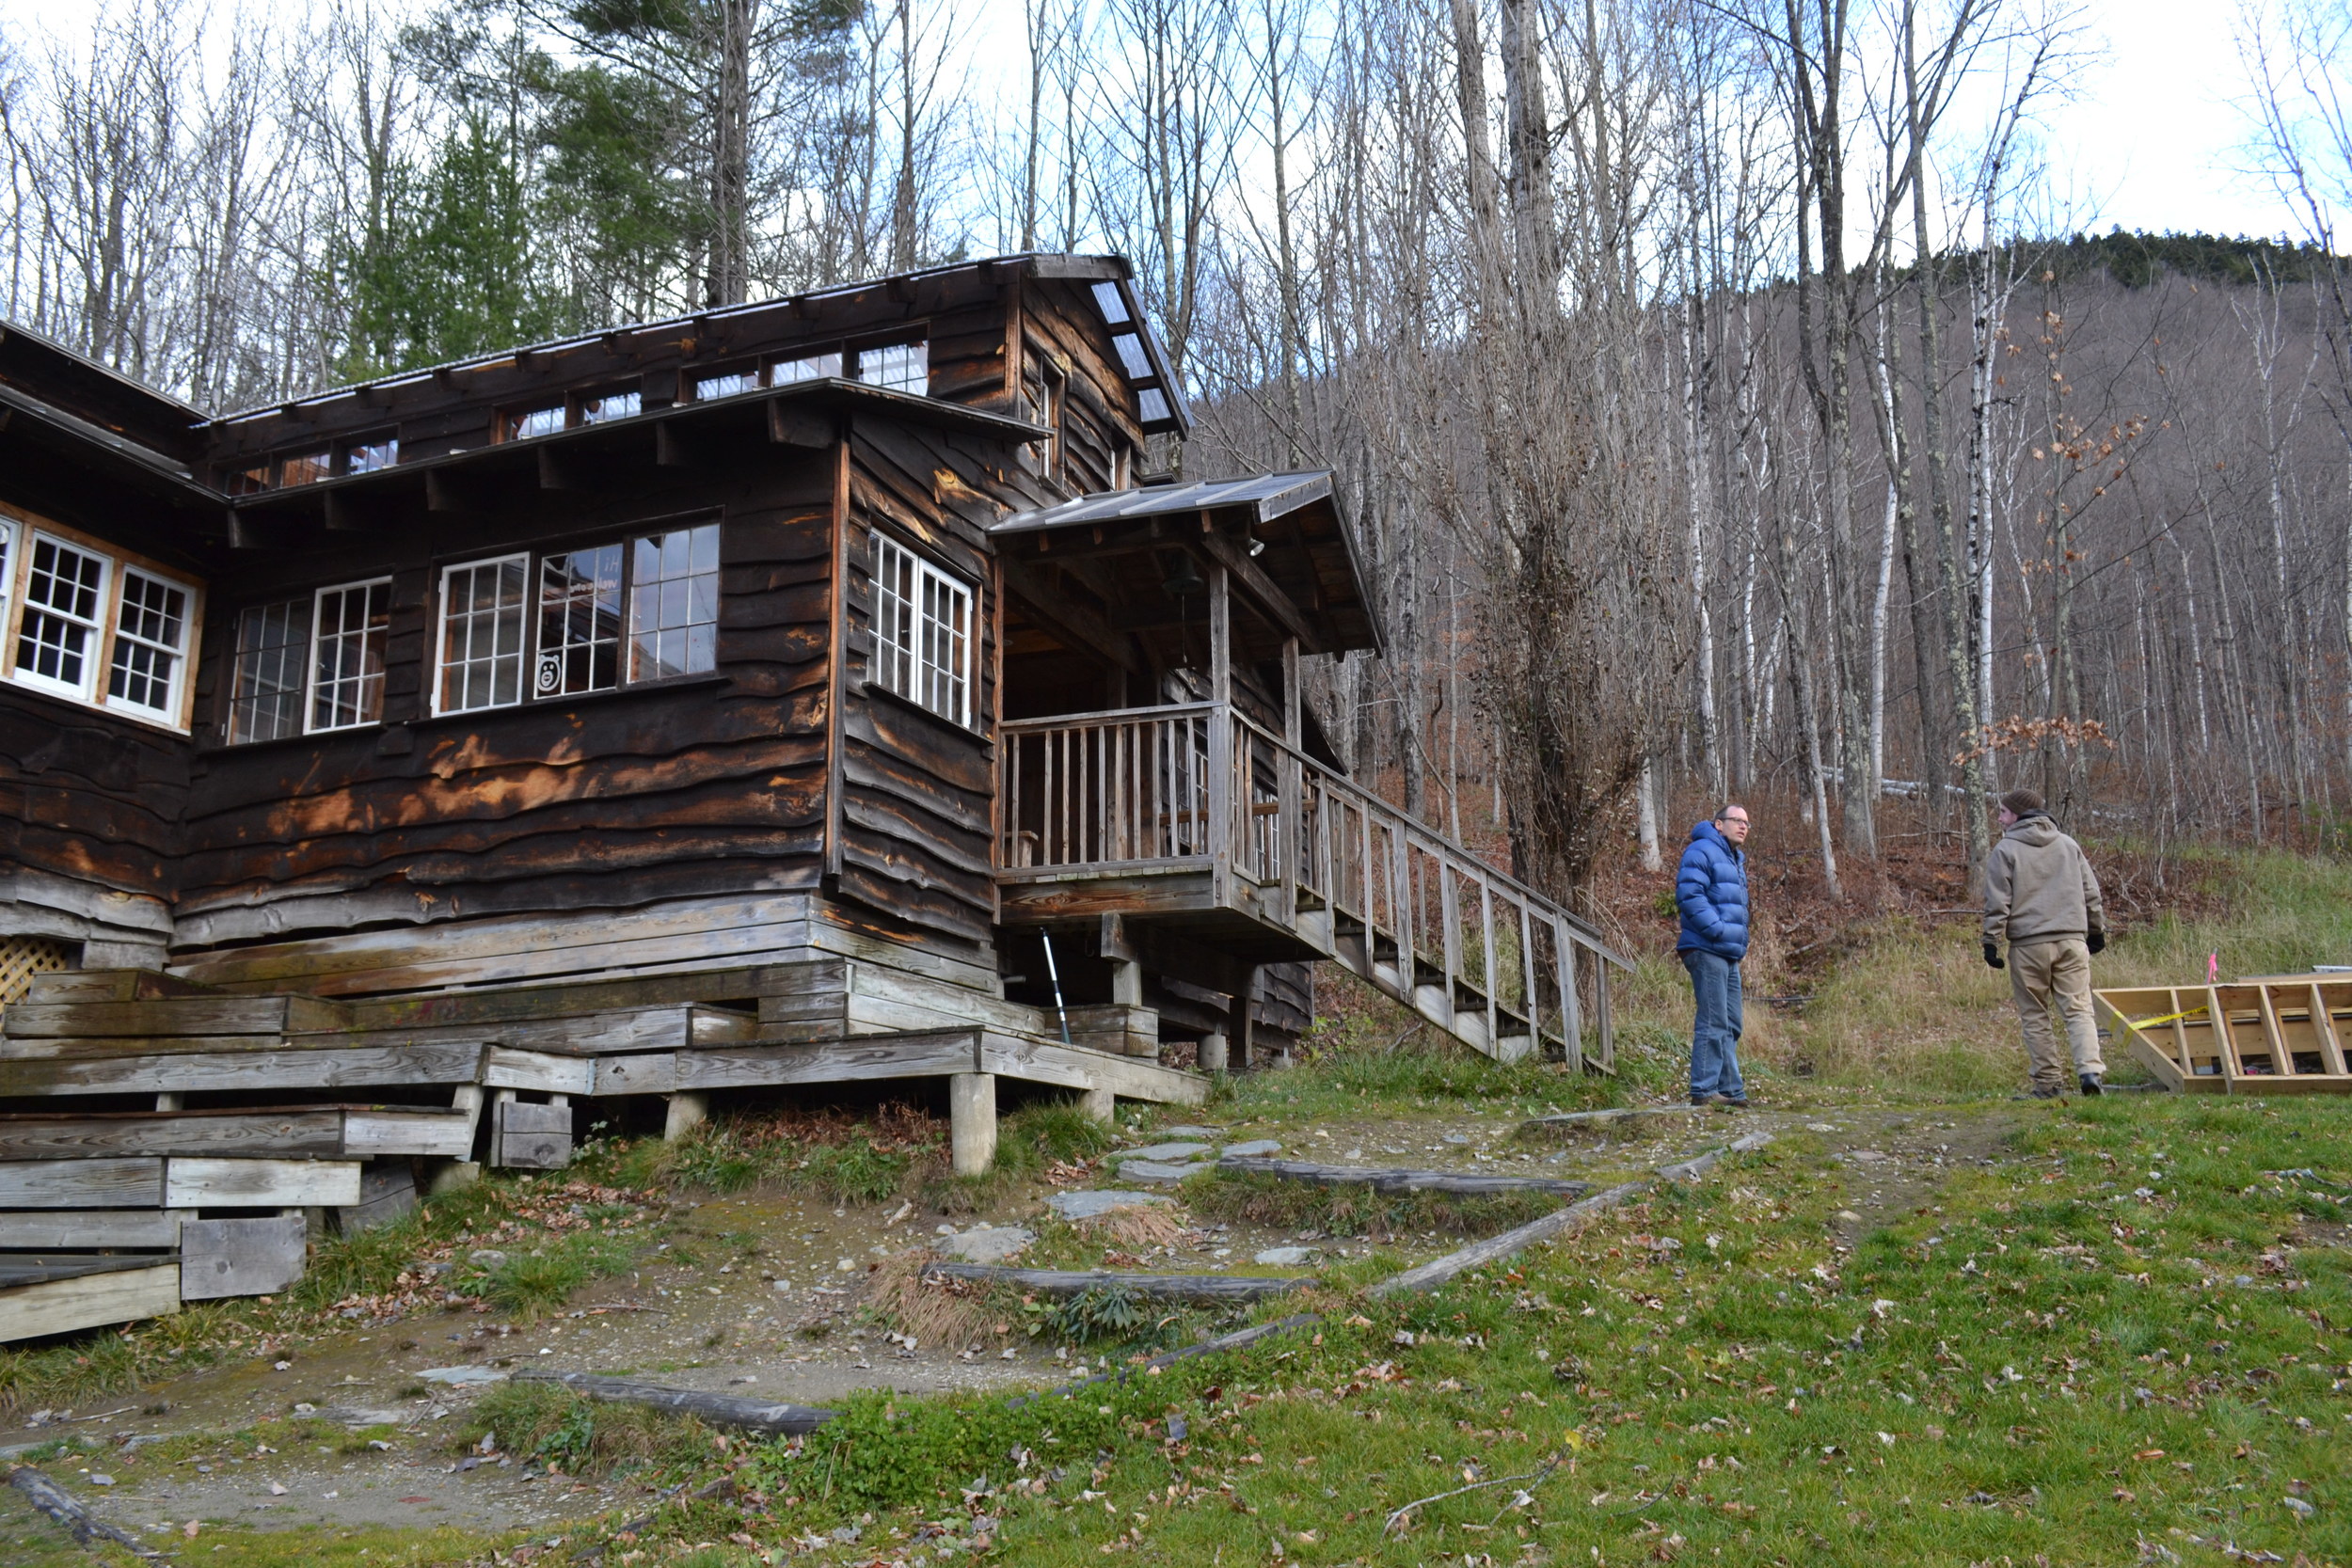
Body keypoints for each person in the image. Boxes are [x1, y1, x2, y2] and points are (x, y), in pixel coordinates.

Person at [1982, 787, 2109, 1098]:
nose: (1999, 818)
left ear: (2018, 815)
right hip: (2071, 941)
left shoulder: (2005, 850)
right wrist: (2096, 931)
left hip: (2029, 946)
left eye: (2003, 812)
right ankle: (2090, 1073)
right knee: (2079, 1010)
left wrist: (1991, 940)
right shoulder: (2068, 845)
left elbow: (1998, 901)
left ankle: (2048, 1084)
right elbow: (2090, 893)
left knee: (2035, 1015)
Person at [1676, 803, 1752, 1108]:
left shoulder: (1734, 858)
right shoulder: (1702, 850)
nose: (1743, 826)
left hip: (1728, 952)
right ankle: (1704, 1091)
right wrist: (1717, 929)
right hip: (1707, 947)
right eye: (1737, 820)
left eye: (1746, 822)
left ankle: (1730, 1090)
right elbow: (1689, 895)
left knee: (1732, 1022)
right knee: (1713, 1020)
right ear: (1718, 824)